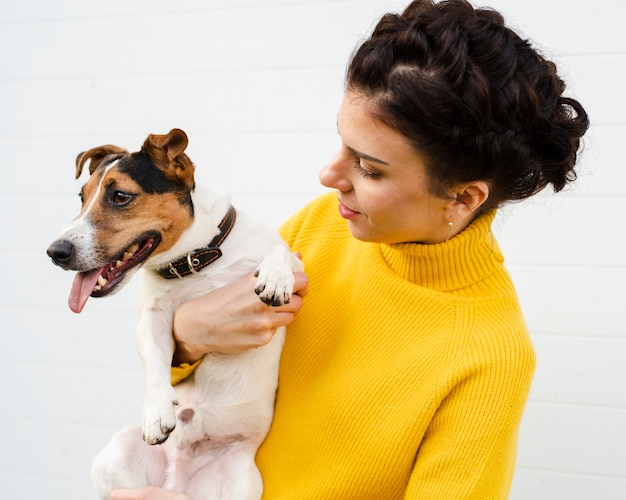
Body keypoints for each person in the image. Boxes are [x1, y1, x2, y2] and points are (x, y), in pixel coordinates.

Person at [111, 0, 588, 498]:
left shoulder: (489, 354)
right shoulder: (324, 226)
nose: (328, 176)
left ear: (463, 197)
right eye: (342, 142)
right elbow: (200, 370)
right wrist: (188, 336)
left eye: (370, 168)